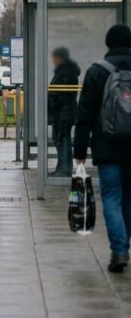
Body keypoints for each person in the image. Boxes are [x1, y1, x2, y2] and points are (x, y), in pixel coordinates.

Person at [74, 24, 131, 273]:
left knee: (111, 197)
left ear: (108, 43)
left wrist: (79, 151)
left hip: (106, 147)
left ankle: (119, 250)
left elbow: (84, 113)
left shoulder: (97, 71)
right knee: (128, 198)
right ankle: (123, 245)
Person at [48, 47, 79, 177]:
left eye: (54, 57)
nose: (53, 60)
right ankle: (61, 167)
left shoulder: (66, 72)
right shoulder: (63, 71)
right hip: (61, 112)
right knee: (58, 138)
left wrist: (53, 100)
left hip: (64, 112)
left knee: (63, 139)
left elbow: (62, 93)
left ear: (61, 58)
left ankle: (65, 168)